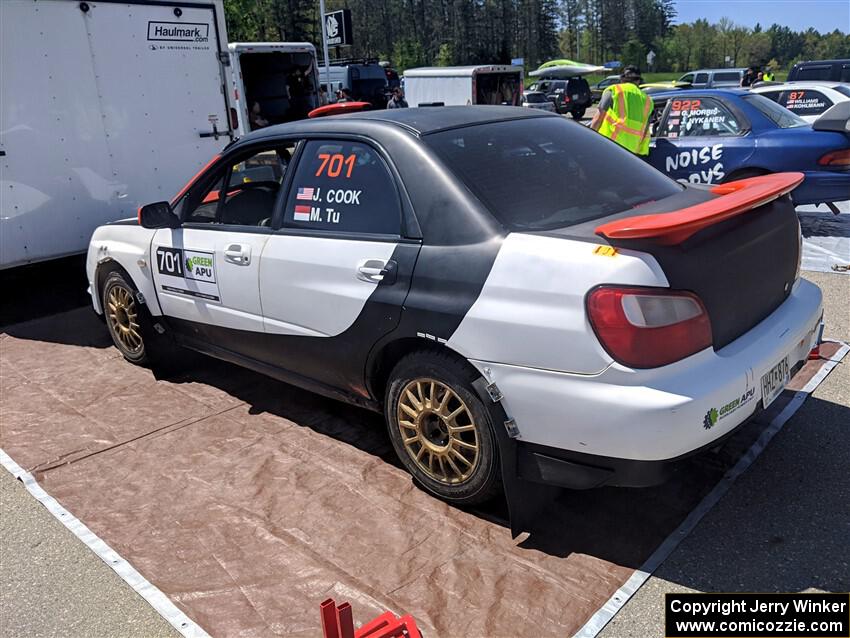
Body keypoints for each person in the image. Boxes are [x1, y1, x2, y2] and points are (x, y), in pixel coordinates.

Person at [590, 65, 653, 157]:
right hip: (632, 154)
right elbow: (646, 130)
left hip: (610, 148)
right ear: (639, 80)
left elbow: (598, 119)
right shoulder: (648, 100)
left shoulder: (614, 90)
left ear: (622, 78)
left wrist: (589, 140)